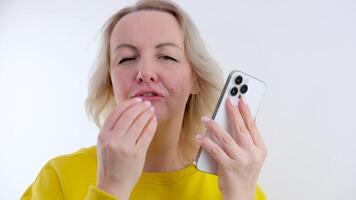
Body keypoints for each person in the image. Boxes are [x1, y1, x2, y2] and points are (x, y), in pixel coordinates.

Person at [21, 0, 268, 199]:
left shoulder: (239, 183)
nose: (146, 72)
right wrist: (111, 188)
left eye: (167, 57)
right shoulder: (59, 178)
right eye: (126, 58)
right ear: (110, 84)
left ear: (196, 80)